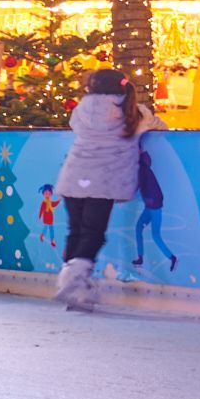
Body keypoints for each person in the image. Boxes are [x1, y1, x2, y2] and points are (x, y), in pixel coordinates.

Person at [52, 67, 154, 313]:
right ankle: (74, 281)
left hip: (75, 175)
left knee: (76, 231)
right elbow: (155, 125)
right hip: (104, 180)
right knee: (93, 232)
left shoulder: (81, 110)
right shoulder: (133, 113)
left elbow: (75, 126)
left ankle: (73, 281)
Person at [129, 139, 178, 274]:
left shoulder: (140, 166)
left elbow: (136, 186)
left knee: (156, 235)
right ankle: (140, 258)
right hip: (150, 204)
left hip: (154, 205)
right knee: (139, 228)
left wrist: (123, 197)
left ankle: (172, 257)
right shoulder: (142, 163)